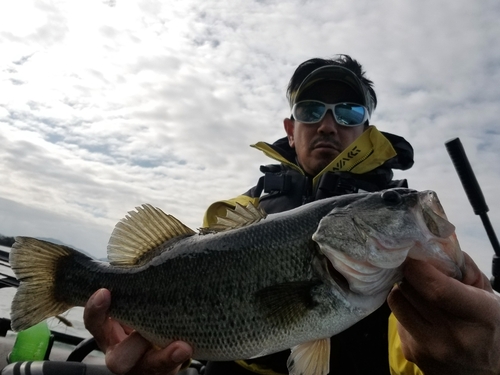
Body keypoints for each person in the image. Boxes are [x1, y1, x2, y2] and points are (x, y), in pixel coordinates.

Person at [84, 55, 500, 375]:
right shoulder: (237, 213)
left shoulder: (405, 248)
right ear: (290, 126)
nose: (328, 124)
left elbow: (425, 350)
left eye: (349, 112)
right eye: (311, 110)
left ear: (367, 127)